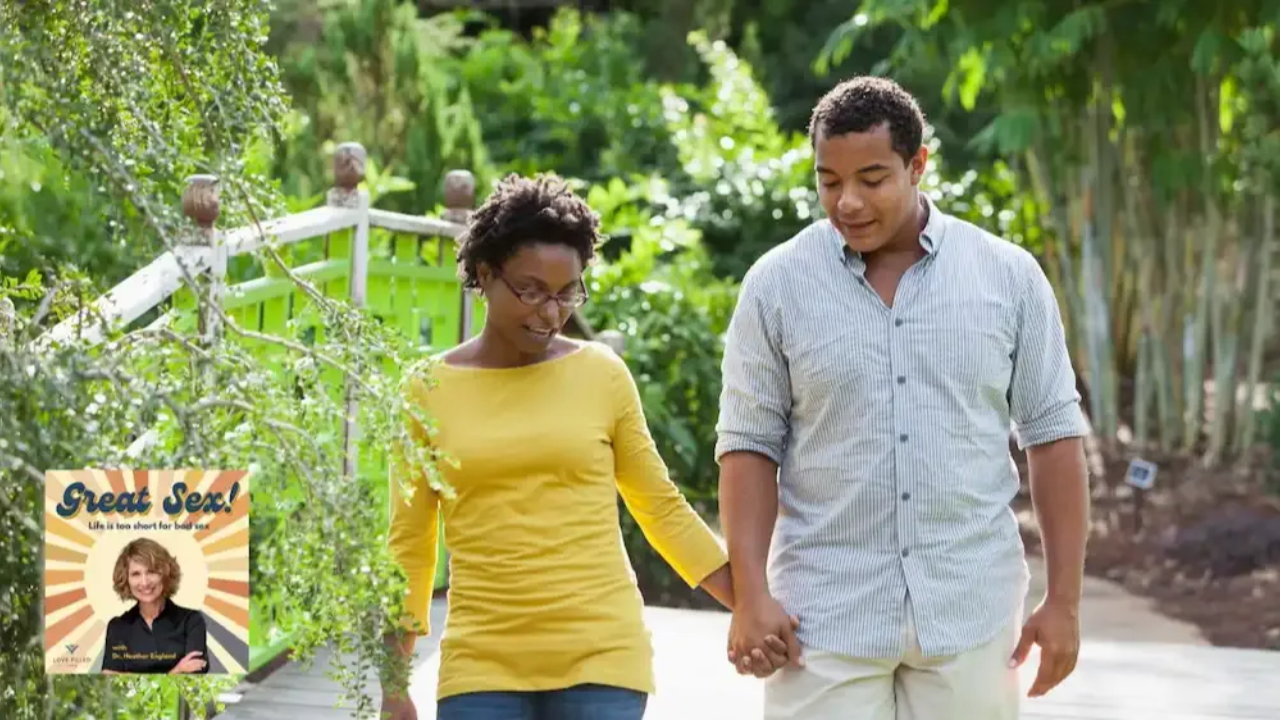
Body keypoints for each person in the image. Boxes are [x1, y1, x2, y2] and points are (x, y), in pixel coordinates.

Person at [715, 76, 1091, 719]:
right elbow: (749, 448)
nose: (848, 202)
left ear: (918, 165)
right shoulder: (776, 286)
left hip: (971, 611)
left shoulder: (1007, 277)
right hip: (824, 617)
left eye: (872, 178)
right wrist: (751, 597)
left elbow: (1053, 440)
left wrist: (1065, 601)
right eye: (829, 182)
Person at [381, 174, 792, 720]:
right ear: (484, 274)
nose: (550, 313)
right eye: (530, 291)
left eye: (565, 293)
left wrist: (751, 605)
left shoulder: (600, 374)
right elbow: (410, 544)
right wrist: (392, 683)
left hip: (602, 652)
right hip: (480, 657)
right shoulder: (424, 390)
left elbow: (660, 508)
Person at [101, 538, 208, 675]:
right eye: (136, 574)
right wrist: (177, 670)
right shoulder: (118, 627)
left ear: (165, 574)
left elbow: (194, 673)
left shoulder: (191, 621)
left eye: (151, 572)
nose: (144, 582)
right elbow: (110, 679)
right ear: (126, 579)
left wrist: (130, 677)